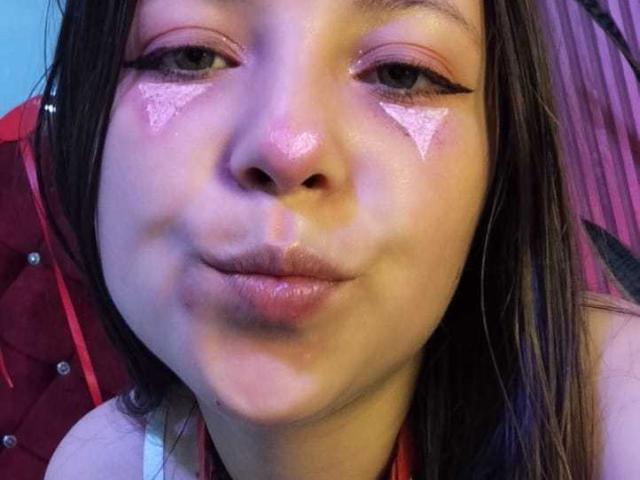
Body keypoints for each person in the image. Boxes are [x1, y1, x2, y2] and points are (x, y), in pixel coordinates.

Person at [37, 0, 639, 478]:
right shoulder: (99, 466)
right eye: (191, 56)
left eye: (402, 72)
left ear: (499, 158)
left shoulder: (617, 414)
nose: (286, 147)